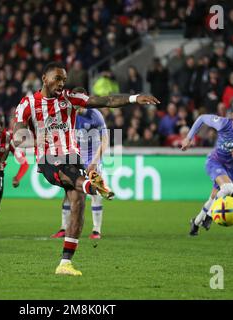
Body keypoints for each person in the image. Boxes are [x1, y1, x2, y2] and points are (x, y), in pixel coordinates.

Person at [13, 62, 160, 276]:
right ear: (44, 78)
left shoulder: (70, 98)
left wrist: (133, 98)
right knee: (70, 176)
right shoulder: (27, 104)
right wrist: (36, 139)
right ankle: (92, 185)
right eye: (57, 78)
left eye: (64, 79)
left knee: (78, 202)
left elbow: (106, 100)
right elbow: (18, 137)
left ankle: (65, 263)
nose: (61, 83)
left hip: (72, 156)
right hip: (48, 158)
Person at [181, 102, 233, 236]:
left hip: (230, 168)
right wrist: (189, 138)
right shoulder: (223, 123)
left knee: (213, 198)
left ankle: (195, 223)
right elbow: (201, 118)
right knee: (229, 188)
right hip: (215, 161)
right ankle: (210, 216)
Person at [51, 87, 108, 240]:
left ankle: (96, 230)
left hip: (92, 157)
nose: (76, 106)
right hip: (74, 157)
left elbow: (105, 141)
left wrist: (95, 162)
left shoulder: (96, 115)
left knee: (96, 193)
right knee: (68, 191)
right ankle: (64, 228)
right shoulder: (68, 115)